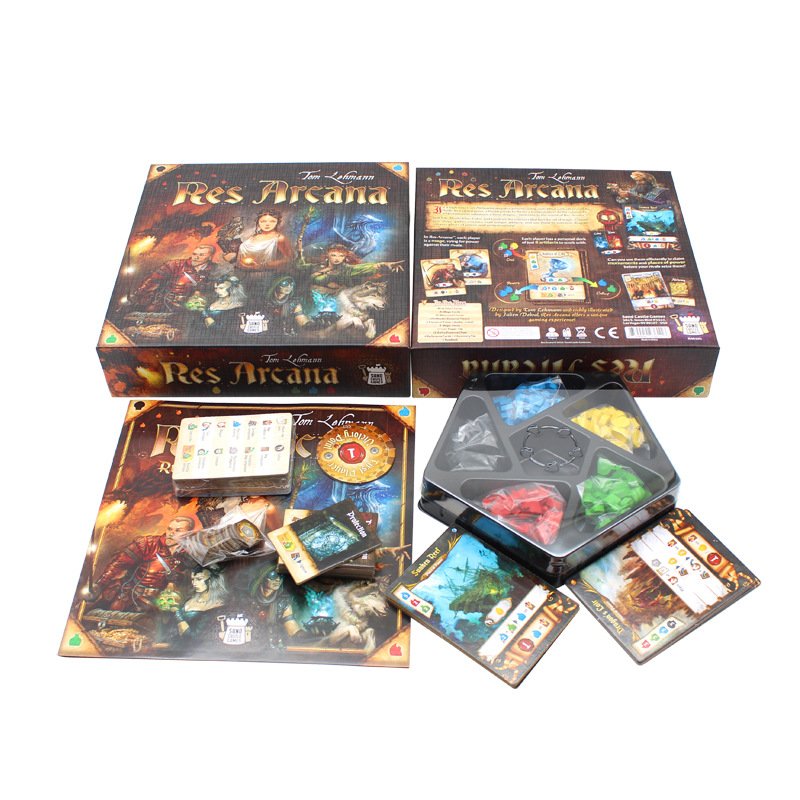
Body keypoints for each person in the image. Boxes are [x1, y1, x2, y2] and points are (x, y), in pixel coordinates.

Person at [91, 516, 196, 611]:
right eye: (169, 529)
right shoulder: (148, 544)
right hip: (132, 598)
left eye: (178, 530)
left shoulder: (192, 553)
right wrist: (100, 584)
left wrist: (182, 578)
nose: (171, 533)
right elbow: (118, 564)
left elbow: (195, 582)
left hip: (162, 604)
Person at [129, 245, 224, 311]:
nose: (196, 257)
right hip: (171, 305)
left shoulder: (217, 269)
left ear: (210, 257)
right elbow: (153, 280)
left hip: (200, 307)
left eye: (201, 255)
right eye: (195, 254)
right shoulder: (175, 265)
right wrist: (139, 294)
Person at [222, 209, 293, 271]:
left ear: (277, 222)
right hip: (242, 273)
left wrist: (262, 266)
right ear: (258, 222)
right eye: (263, 221)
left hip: (264, 275)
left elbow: (289, 259)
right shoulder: (252, 237)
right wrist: (233, 257)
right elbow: (243, 256)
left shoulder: (279, 238)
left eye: (272, 221)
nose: (267, 224)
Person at [173, 565, 228, 638]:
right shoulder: (188, 600)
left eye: (199, 579)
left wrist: (180, 619)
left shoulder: (219, 606)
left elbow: (199, 636)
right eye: (192, 579)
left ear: (211, 580)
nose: (194, 583)